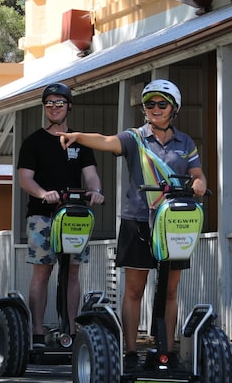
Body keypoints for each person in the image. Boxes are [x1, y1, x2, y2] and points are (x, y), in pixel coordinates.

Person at [59, 78, 207, 370]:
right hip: (137, 219)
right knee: (134, 290)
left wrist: (200, 184)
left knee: (170, 290)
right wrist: (78, 136)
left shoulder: (185, 142)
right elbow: (106, 141)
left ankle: (165, 350)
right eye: (149, 104)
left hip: (172, 224)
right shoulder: (135, 137)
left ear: (173, 108)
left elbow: (198, 174)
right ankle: (130, 352)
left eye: (161, 104)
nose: (155, 108)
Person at [17, 82, 104, 347]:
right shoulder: (34, 142)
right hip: (43, 215)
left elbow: (91, 176)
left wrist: (97, 191)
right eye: (49, 104)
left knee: (73, 272)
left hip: (74, 215)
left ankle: (71, 332)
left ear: (69, 106)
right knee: (42, 272)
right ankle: (37, 332)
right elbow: (24, 179)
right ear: (44, 108)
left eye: (59, 103)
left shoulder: (79, 141)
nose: (54, 108)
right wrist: (44, 193)